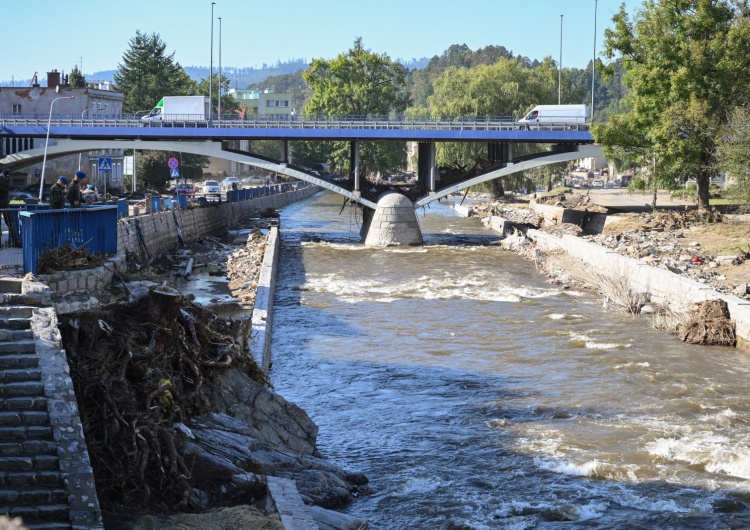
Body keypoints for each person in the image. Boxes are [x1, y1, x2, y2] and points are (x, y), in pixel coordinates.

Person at [0, 169, 19, 247]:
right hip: (5, 205)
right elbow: (4, 188)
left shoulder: (3, 181)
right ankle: (15, 241)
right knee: (11, 223)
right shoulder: (6, 181)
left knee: (10, 223)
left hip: (3, 205)